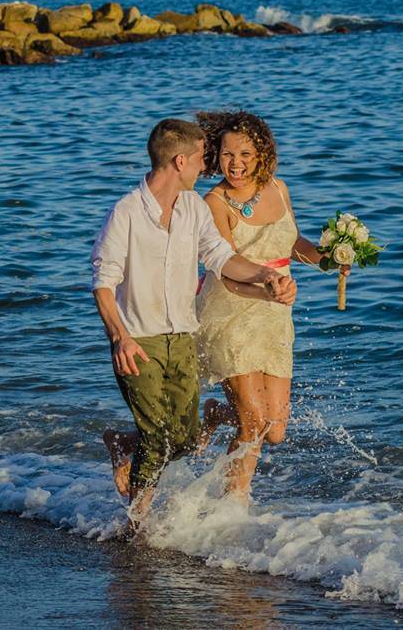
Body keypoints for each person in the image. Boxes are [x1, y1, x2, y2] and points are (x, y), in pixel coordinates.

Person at [91, 118, 296, 531]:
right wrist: (120, 338)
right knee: (157, 437)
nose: (209, 166)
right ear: (180, 160)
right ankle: (138, 526)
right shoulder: (127, 212)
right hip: (140, 340)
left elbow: (221, 257)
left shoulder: (192, 209)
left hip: (182, 335)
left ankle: (122, 444)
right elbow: (103, 280)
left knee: (182, 440)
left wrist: (264, 277)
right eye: (205, 156)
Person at [190, 110, 349, 501]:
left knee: (274, 429)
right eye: (227, 155)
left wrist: (329, 258)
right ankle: (232, 509)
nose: (236, 164)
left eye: (244, 154)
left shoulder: (279, 188)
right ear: (215, 156)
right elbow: (224, 268)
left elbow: (292, 244)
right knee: (252, 423)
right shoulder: (214, 202)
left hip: (276, 313)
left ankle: (215, 413)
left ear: (262, 153)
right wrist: (265, 288)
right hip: (230, 309)